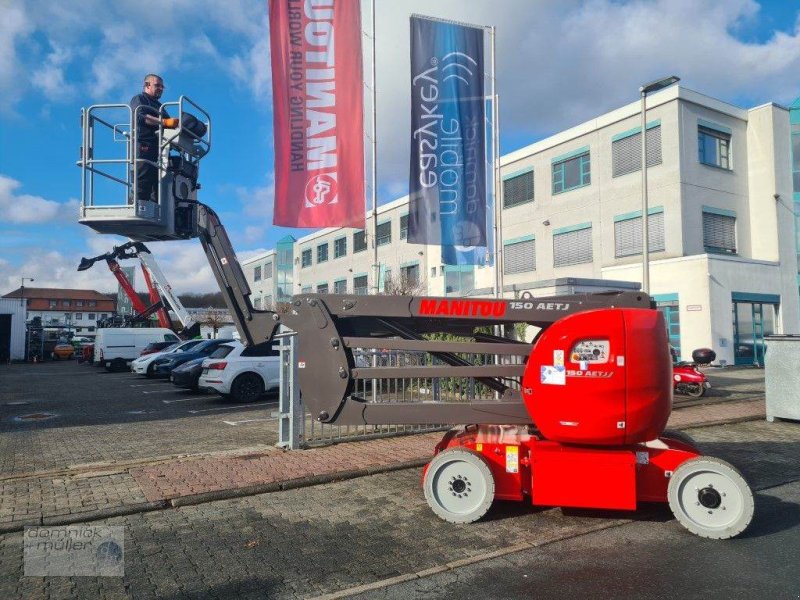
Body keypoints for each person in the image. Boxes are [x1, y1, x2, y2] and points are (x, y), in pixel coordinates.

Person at [129, 74, 176, 202]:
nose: (160, 88)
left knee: (159, 187)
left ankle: (155, 211)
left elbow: (169, 127)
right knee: (143, 181)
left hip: (160, 150)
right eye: (157, 85)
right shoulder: (139, 99)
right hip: (144, 145)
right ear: (147, 85)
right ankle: (139, 207)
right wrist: (164, 123)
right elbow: (141, 117)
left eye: (162, 86)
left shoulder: (161, 107)